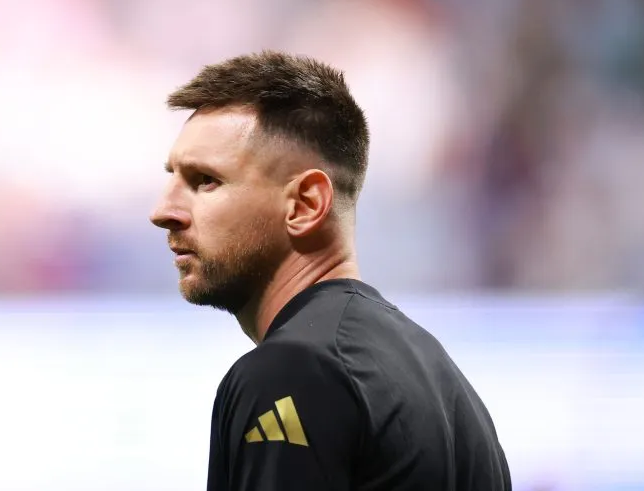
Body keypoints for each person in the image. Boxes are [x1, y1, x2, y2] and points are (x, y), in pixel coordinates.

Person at [150, 51, 511, 491]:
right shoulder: (445, 384)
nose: (164, 211)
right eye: (172, 178)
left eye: (205, 180)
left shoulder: (289, 371)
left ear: (305, 205)